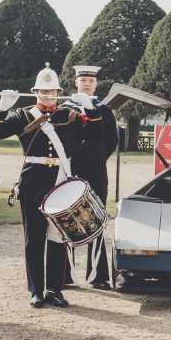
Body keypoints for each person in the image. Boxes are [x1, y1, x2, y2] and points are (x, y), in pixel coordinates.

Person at [0, 64, 104, 309]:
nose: (48, 95)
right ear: (35, 91)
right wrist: (2, 109)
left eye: (53, 91)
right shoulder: (23, 116)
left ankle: (55, 289)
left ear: (60, 91)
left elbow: (97, 134)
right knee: (34, 239)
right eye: (44, 91)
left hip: (61, 182)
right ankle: (35, 291)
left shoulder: (69, 116)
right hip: (33, 182)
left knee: (58, 239)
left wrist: (91, 109)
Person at [63, 64, 118, 290]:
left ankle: (98, 274)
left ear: (96, 84)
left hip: (96, 172)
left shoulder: (104, 110)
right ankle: (64, 273)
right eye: (83, 81)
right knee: (66, 220)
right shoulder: (66, 109)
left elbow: (112, 141)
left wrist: (96, 158)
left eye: (91, 81)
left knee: (96, 220)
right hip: (71, 169)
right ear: (76, 82)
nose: (86, 84)